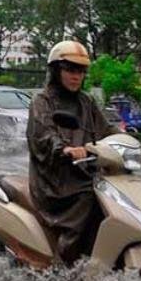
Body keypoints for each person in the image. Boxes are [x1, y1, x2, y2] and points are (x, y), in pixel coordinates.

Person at [26, 40, 120, 266]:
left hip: (85, 173)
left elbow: (106, 129)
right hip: (55, 179)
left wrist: (132, 142)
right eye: (69, 69)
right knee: (88, 198)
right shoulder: (42, 101)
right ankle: (66, 263)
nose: (76, 76)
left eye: (80, 71)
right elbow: (43, 135)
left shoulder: (86, 102)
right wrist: (65, 149)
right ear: (56, 71)